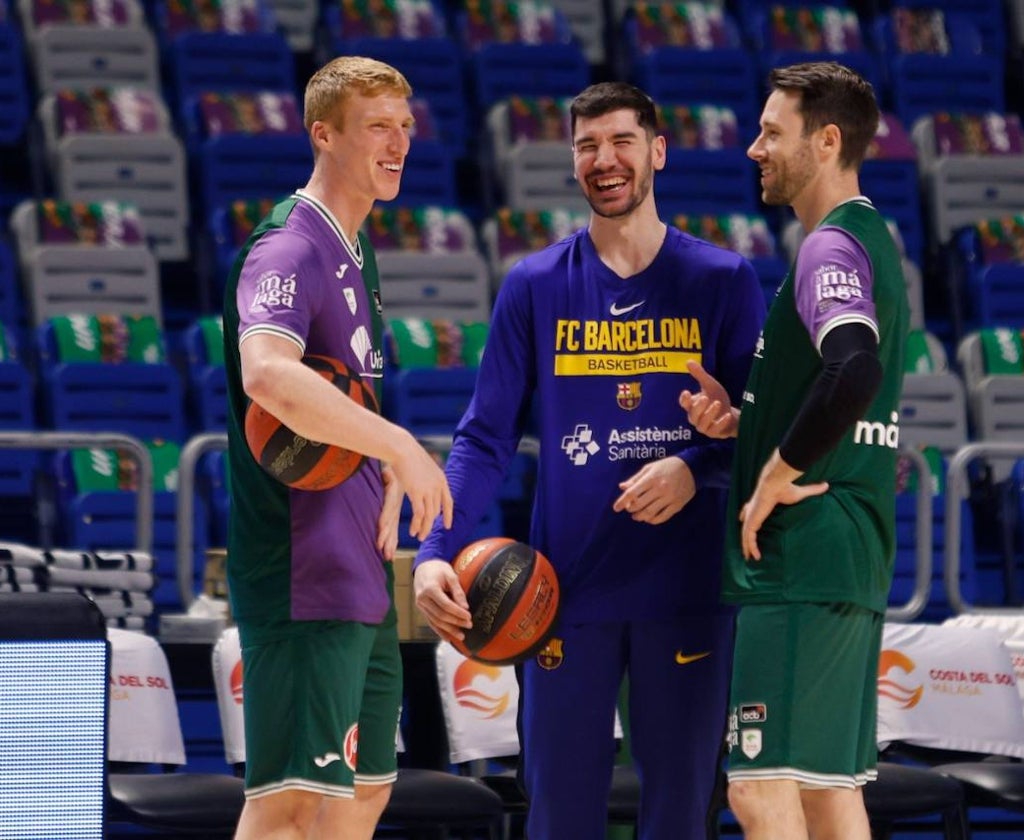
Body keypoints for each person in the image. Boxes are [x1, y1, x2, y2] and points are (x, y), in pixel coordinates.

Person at [412, 81, 765, 840]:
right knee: (560, 816)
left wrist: (697, 465)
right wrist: (434, 551)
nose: (604, 161)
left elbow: (762, 439)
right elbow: (484, 439)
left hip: (689, 589)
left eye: (621, 141)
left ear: (657, 152)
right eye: (586, 146)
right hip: (562, 595)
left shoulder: (723, 281)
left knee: (679, 816)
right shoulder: (534, 286)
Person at [221, 56, 453, 840]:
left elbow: (338, 399)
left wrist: (382, 458)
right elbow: (270, 377)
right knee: (288, 806)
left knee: (361, 796)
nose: (397, 145)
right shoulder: (290, 246)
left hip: (356, 566)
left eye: (405, 128)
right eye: (376, 128)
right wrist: (402, 445)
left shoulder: (358, 249)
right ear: (324, 134)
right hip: (298, 571)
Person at [680, 62, 910, 840]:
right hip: (850, 549)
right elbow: (844, 387)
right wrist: (753, 422)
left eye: (773, 133)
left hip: (801, 556)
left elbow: (856, 367)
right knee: (826, 791)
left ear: (829, 141)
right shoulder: (875, 242)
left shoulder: (826, 249)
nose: (754, 148)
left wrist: (778, 468)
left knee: (759, 788)